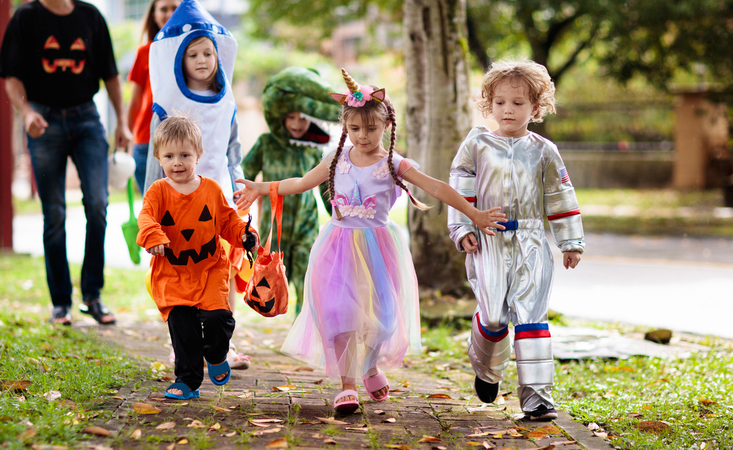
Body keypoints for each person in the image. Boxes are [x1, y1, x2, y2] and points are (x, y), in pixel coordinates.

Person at [235, 69, 506, 413]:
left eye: (371, 128)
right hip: (337, 248)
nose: (363, 136)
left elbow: (435, 187)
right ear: (345, 128)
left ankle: (371, 365)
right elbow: (302, 182)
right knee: (339, 313)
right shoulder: (337, 159)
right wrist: (262, 188)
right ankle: (347, 385)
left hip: (379, 249)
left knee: (383, 319)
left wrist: (474, 214)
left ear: (387, 126)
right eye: (355, 129)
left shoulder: (393, 164)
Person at [0, 0, 131, 326]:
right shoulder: (24, 19)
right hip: (43, 119)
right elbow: (10, 77)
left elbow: (110, 75)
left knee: (98, 205)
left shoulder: (90, 17)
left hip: (87, 119)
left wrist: (121, 121)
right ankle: (61, 303)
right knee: (53, 212)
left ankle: (93, 294)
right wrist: (26, 113)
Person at [447, 58, 584, 422]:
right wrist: (462, 230)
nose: (508, 110)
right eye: (500, 102)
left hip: (532, 242)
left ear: (536, 108)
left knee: (531, 317)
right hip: (487, 239)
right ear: (489, 105)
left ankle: (537, 397)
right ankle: (486, 370)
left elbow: (560, 196)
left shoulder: (544, 151)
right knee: (493, 317)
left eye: (518, 103)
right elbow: (459, 185)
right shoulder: (477, 143)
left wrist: (570, 242)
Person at [143, 0, 252, 370]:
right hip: (175, 200)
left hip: (217, 193)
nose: (203, 60)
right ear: (179, 59)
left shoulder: (226, 99)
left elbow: (233, 146)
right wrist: (151, 205)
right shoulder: (169, 100)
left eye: (208, 53)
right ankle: (182, 345)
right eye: (193, 54)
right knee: (179, 271)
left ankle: (226, 345)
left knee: (224, 266)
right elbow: (155, 156)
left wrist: (240, 185)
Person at [137, 116, 258, 399]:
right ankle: (187, 381)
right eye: (169, 156)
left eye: (184, 155)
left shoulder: (212, 190)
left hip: (209, 267)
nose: (177, 162)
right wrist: (153, 237)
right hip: (172, 271)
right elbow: (146, 219)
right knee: (182, 327)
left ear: (198, 155)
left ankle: (216, 355)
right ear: (158, 158)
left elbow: (228, 221)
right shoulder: (158, 192)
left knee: (218, 318)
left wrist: (243, 234)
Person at [241, 67, 341, 314]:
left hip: (306, 224)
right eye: (292, 117)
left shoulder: (312, 150)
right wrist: (237, 201)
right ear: (282, 117)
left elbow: (325, 188)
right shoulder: (266, 143)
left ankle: (304, 324)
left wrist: (337, 214)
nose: (297, 123)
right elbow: (246, 173)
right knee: (272, 275)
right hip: (274, 226)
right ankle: (271, 307)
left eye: (303, 117)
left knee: (307, 276)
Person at [126, 0, 181, 194]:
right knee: (154, 209)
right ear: (154, 15)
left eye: (174, 8)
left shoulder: (194, 50)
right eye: (163, 9)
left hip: (183, 141)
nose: (169, 14)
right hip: (146, 140)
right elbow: (135, 100)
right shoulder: (145, 52)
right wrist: (125, 131)